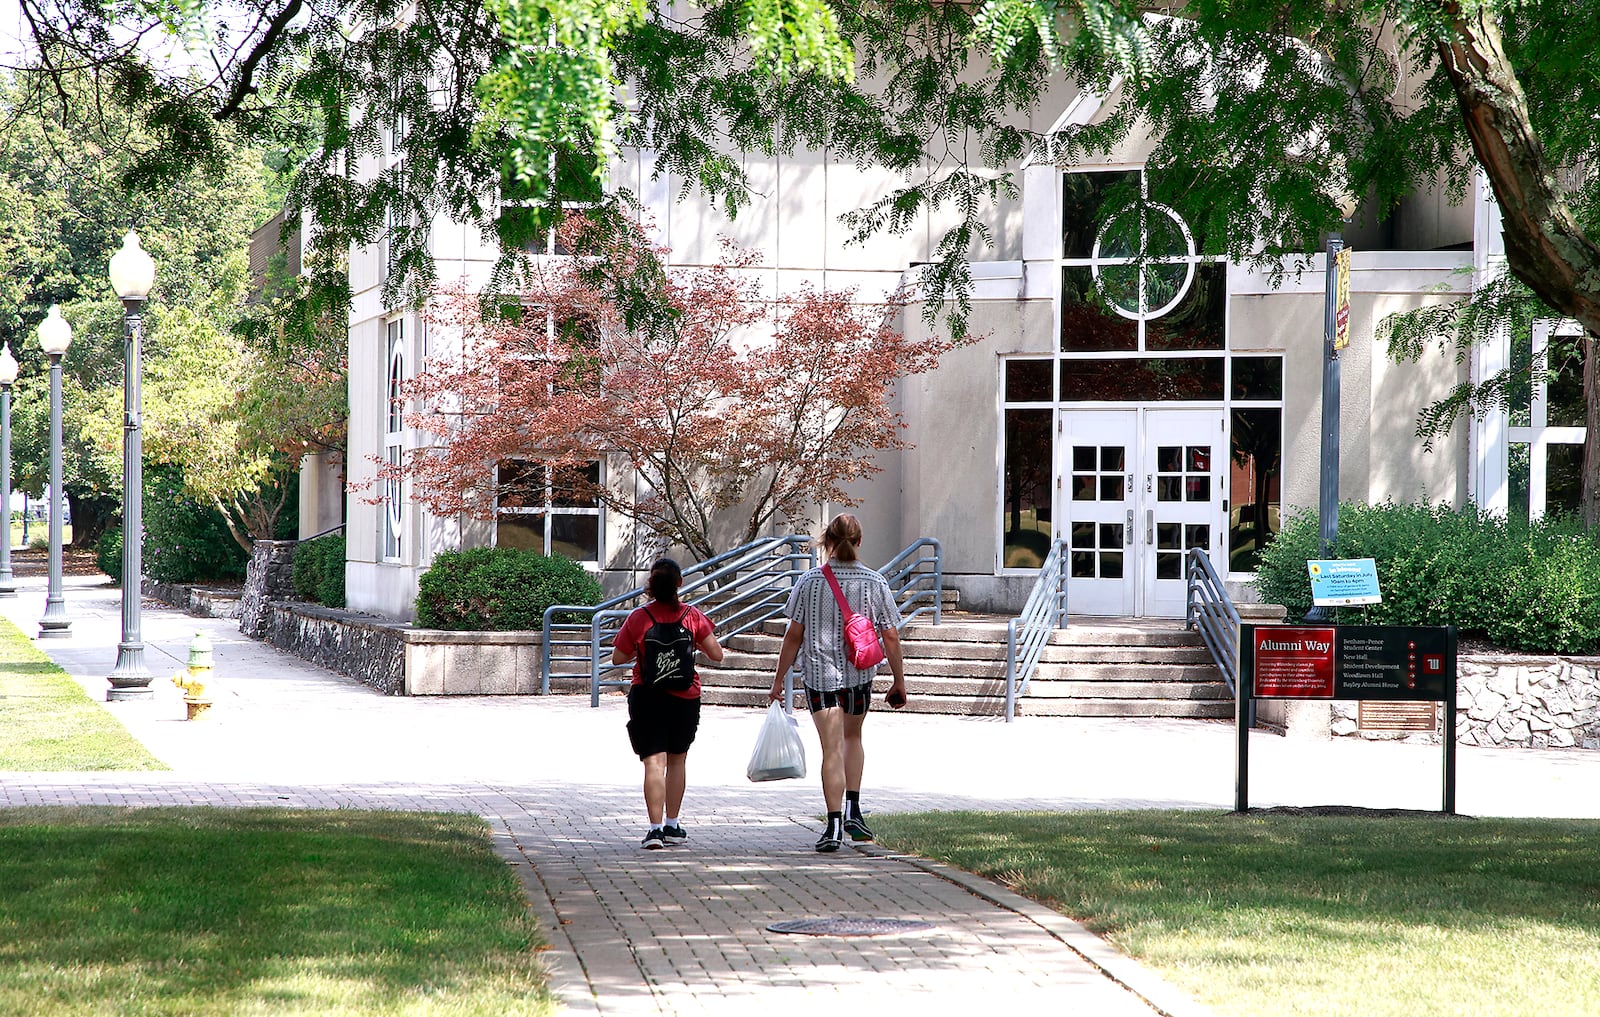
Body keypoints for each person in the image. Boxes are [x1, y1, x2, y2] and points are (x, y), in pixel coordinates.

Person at [768, 513, 907, 852]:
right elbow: (890, 636)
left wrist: (778, 681)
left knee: (830, 750)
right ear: (859, 542)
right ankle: (854, 812)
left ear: (827, 541)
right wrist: (899, 681)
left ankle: (832, 826)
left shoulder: (809, 582)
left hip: (819, 677)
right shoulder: (875, 583)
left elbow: (792, 637)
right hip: (859, 676)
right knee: (853, 738)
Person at [613, 557, 724, 850]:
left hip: (647, 696)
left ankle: (654, 830)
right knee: (677, 760)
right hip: (685, 698)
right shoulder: (692, 616)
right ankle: (673, 824)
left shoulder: (639, 618)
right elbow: (717, 655)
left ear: (650, 585)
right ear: (680, 584)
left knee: (653, 762)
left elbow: (618, 658)